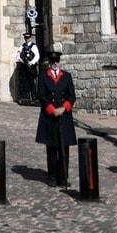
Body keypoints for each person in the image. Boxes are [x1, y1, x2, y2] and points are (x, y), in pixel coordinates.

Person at [34, 50, 76, 187]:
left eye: (57, 61)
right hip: (50, 116)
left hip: (64, 115)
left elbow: (72, 96)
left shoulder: (67, 76)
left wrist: (64, 108)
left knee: (64, 147)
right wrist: (52, 110)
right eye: (52, 62)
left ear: (59, 62)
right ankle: (52, 176)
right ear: (49, 63)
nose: (55, 64)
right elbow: (41, 95)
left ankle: (63, 177)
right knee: (51, 147)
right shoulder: (43, 76)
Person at [17, 32, 41, 102]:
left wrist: (31, 62)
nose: (27, 39)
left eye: (28, 38)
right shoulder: (22, 46)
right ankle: (26, 97)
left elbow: (37, 56)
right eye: (26, 38)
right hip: (24, 66)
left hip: (31, 67)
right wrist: (21, 60)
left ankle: (34, 97)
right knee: (24, 81)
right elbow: (18, 55)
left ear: (30, 38)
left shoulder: (33, 46)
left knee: (32, 81)